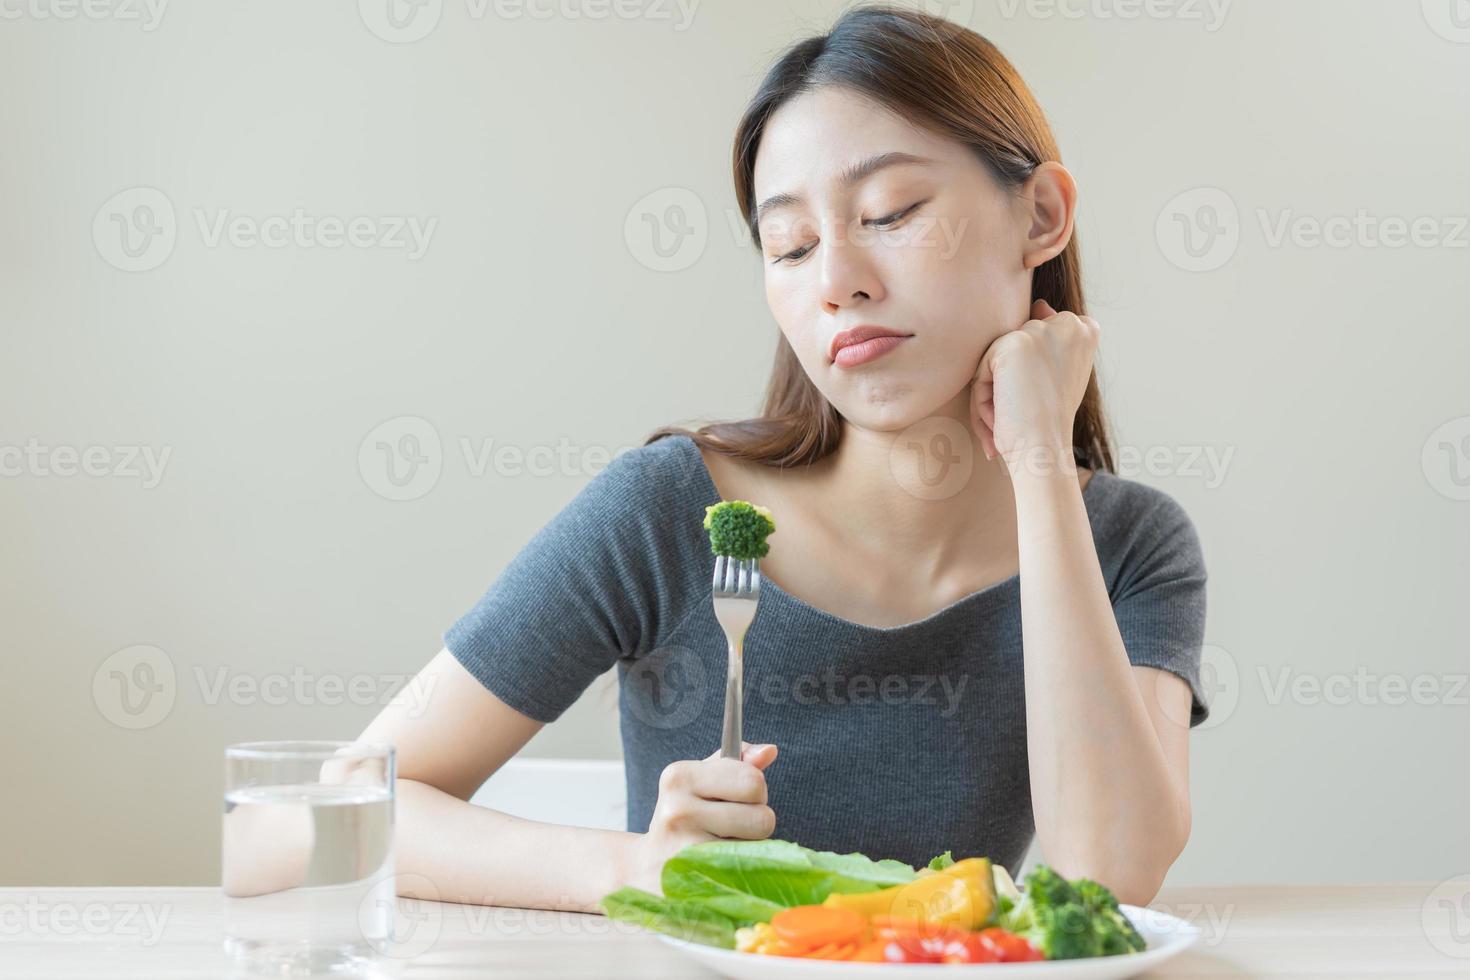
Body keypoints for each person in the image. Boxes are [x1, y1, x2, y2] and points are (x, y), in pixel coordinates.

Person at [359, 4, 1208, 914]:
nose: (836, 279)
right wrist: (633, 866)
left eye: (890, 212)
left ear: (1040, 216)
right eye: (791, 246)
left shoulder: (1130, 544)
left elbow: (1107, 876)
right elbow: (331, 815)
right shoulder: (666, 513)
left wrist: (1039, 453)